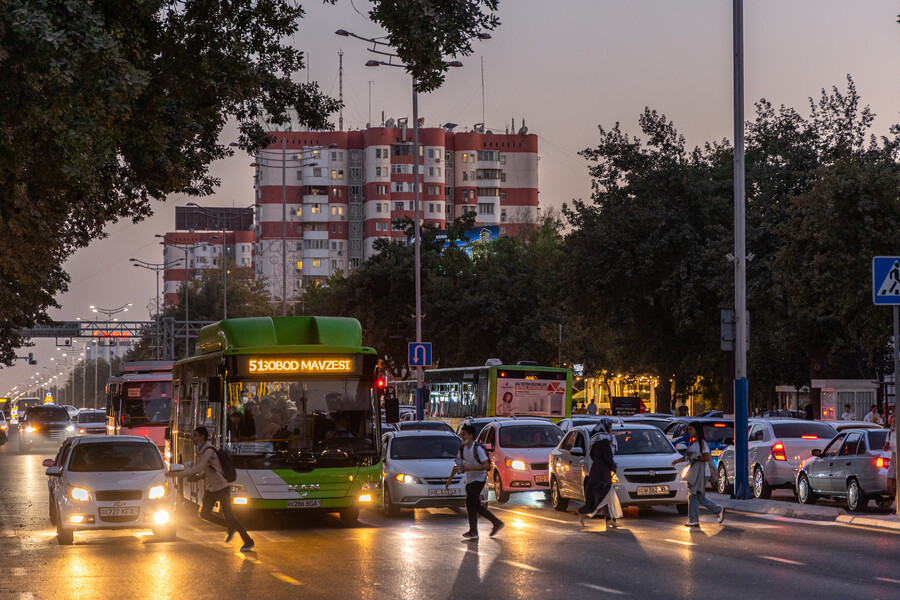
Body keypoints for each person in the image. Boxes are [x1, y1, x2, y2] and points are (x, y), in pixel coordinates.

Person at [167, 427, 255, 552]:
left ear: (202, 437)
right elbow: (208, 470)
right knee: (204, 514)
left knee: (229, 516)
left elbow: (199, 468)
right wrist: (198, 478)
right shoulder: (201, 450)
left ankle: (248, 541)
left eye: (195, 436)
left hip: (221, 487)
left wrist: (177, 474)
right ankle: (229, 526)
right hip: (211, 488)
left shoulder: (208, 450)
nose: (193, 438)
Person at [446, 424, 503, 539]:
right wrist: (449, 480)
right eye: (461, 435)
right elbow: (457, 465)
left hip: (480, 479)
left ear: (471, 436)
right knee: (475, 505)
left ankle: (474, 531)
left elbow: (486, 465)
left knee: (470, 503)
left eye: (464, 435)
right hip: (470, 479)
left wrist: (470, 468)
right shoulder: (462, 449)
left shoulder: (478, 449)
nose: (462, 437)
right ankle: (496, 522)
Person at [673, 421, 725, 528]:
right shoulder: (692, 443)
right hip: (695, 473)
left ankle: (694, 520)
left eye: (691, 429)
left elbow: (707, 457)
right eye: (688, 429)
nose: (689, 431)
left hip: (702, 473)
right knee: (699, 497)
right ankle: (719, 510)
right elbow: (686, 456)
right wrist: (676, 461)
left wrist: (696, 458)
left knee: (693, 495)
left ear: (697, 430)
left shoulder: (702, 443)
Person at [578, 418, 619, 528]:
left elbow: (592, 455)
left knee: (604, 494)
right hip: (603, 471)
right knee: (605, 494)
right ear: (606, 427)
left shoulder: (596, 440)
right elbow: (608, 457)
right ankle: (587, 512)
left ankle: (609, 518)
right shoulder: (605, 441)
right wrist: (613, 467)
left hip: (596, 469)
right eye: (610, 427)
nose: (611, 429)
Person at [884, 413, 897, 515]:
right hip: (892, 457)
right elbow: (886, 445)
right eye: (892, 421)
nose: (893, 423)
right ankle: (897, 500)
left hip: (898, 457)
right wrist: (885, 448)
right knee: (889, 486)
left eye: (895, 422)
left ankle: (896, 506)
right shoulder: (889, 433)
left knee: (897, 484)